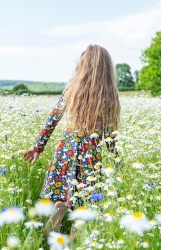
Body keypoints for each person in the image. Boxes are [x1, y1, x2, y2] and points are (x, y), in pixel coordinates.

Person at [24, 44, 121, 244]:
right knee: (83, 205)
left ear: (83, 65)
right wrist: (117, 159)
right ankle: (75, 240)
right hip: (91, 155)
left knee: (63, 193)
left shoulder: (72, 91)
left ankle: (58, 212)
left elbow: (52, 120)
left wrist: (38, 148)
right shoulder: (109, 98)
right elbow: (111, 136)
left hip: (66, 151)